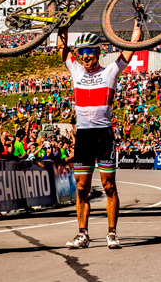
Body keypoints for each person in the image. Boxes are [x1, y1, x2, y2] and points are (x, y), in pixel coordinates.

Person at [58, 24, 141, 249]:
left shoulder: (110, 71)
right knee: (82, 188)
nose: (84, 56)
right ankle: (82, 234)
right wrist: (63, 24)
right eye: (81, 51)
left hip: (103, 136)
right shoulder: (75, 71)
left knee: (109, 187)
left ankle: (112, 233)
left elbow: (131, 47)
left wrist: (137, 24)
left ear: (97, 52)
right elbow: (62, 47)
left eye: (88, 51)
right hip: (83, 136)